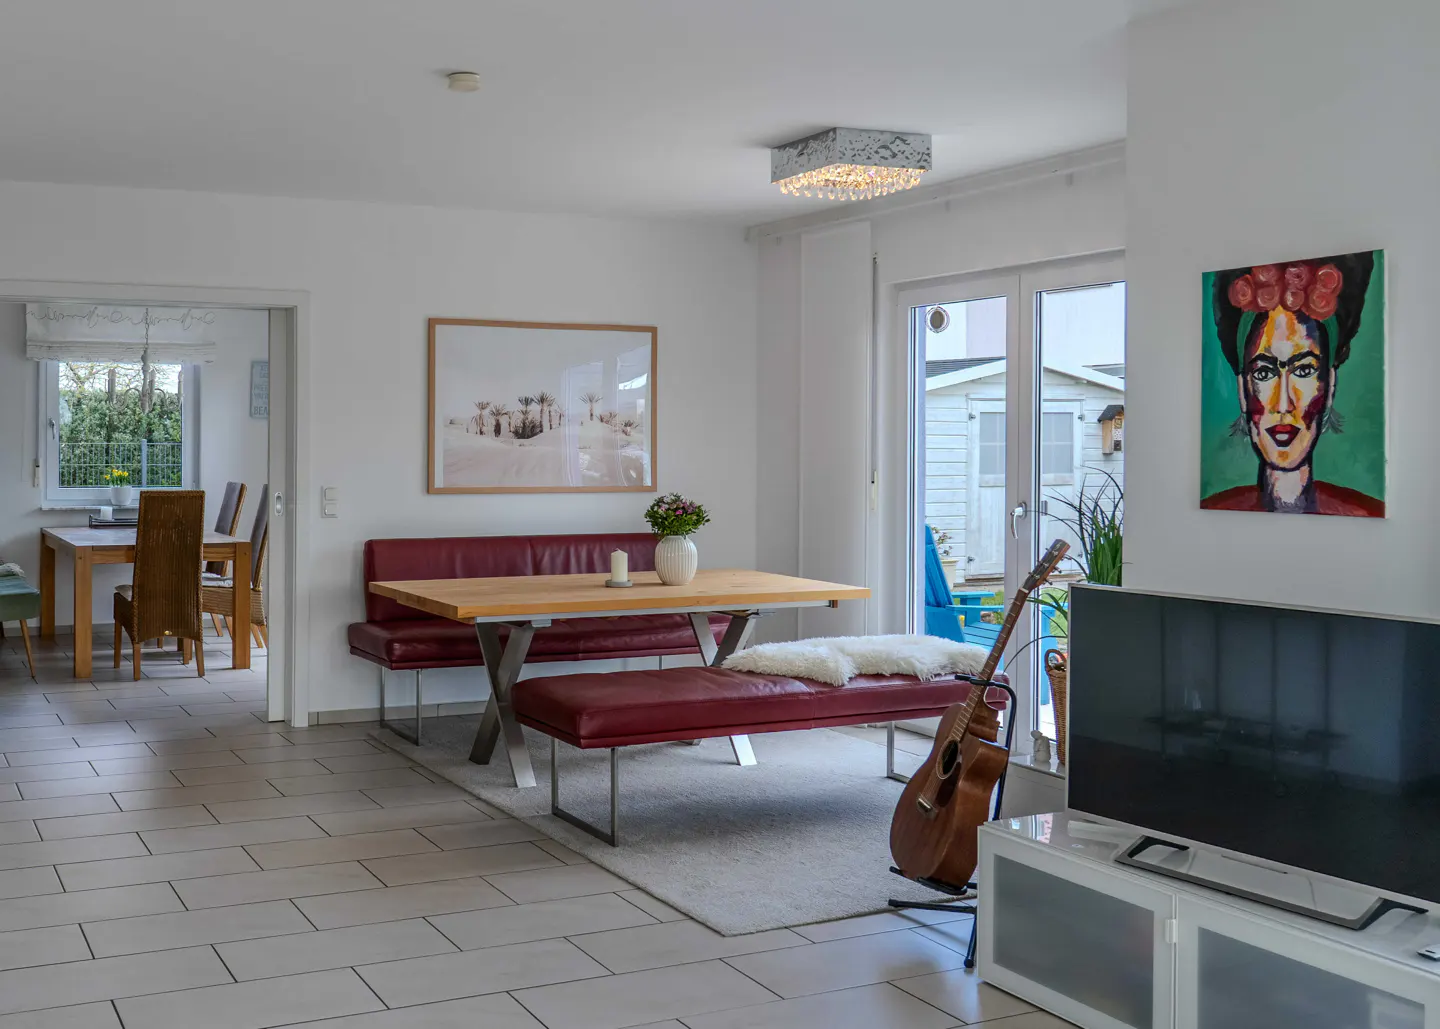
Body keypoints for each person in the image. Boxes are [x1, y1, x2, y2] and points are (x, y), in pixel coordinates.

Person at [1202, 252, 1381, 516]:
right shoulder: (1214, 510)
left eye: (1304, 370)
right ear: (1242, 390)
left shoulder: (1366, 513)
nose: (1284, 404)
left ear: (1330, 385)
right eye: (1264, 373)